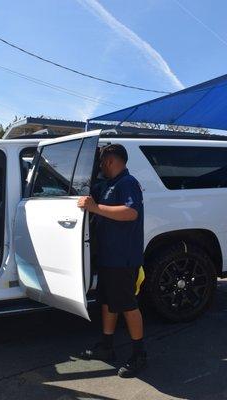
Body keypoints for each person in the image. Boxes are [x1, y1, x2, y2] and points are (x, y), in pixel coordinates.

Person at [77, 144, 146, 378]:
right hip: (107, 257)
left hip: (123, 258)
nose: (100, 167)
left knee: (127, 304)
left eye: (102, 162)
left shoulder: (128, 183)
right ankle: (107, 346)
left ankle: (139, 354)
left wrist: (96, 208)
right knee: (107, 302)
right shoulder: (107, 184)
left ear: (110, 161)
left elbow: (130, 212)